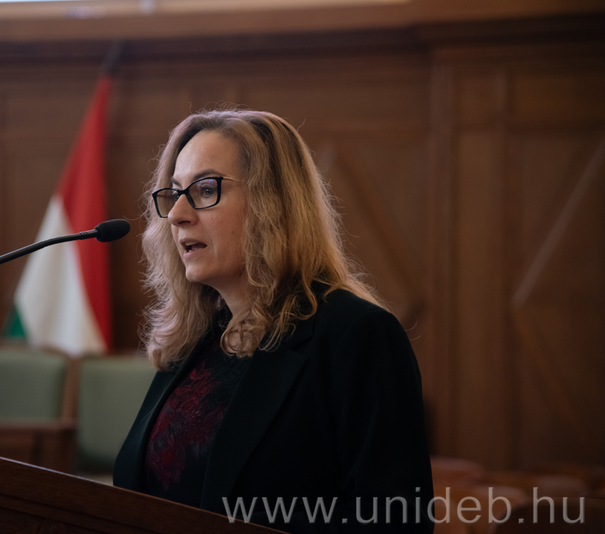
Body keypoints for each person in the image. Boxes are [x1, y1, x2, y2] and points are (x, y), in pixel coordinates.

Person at [113, 108, 433, 533]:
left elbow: (397, 519)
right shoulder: (195, 341)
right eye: (174, 194)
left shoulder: (356, 335)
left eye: (205, 189)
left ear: (272, 203)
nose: (177, 214)